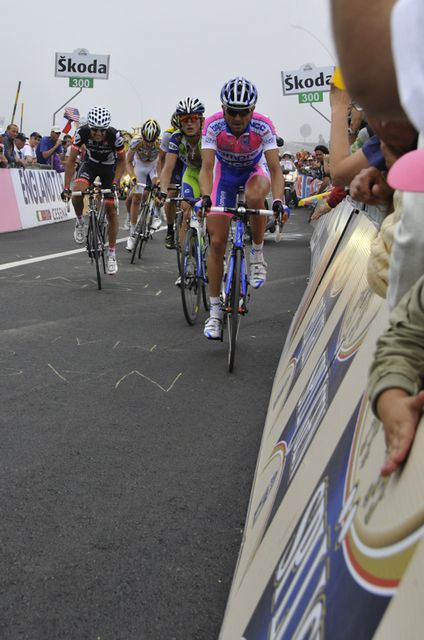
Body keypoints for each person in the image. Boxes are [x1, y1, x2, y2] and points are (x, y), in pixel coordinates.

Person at [199, 77, 285, 340]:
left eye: (243, 112)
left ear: (253, 109)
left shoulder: (263, 124)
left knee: (254, 196)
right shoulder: (212, 124)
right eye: (232, 112)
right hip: (225, 176)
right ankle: (214, 313)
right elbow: (206, 167)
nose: (237, 118)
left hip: (253, 172)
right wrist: (205, 196)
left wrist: (280, 200)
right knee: (216, 243)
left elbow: (274, 168)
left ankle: (257, 255)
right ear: (223, 109)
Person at [61, 106, 126, 275]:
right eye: (94, 130)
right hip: (89, 165)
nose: (97, 134)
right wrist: (66, 188)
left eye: (101, 130)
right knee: (77, 193)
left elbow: (122, 162)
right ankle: (80, 222)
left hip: (109, 168)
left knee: (111, 209)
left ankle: (111, 253)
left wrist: (115, 182)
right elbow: (71, 161)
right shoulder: (82, 133)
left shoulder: (115, 136)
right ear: (89, 127)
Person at [159, 97, 205, 270]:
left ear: (201, 120)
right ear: (179, 122)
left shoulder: (209, 133)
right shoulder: (176, 138)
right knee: (187, 211)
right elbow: (167, 168)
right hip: (191, 173)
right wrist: (163, 191)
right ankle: (186, 264)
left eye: (194, 118)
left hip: (212, 173)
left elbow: (211, 167)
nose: (189, 123)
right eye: (185, 119)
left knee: (213, 216)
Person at [125, 118, 162, 252]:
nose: (148, 143)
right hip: (139, 166)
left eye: (151, 141)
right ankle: (132, 235)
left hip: (153, 166)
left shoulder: (160, 143)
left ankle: (156, 214)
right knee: (136, 198)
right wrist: (133, 177)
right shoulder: (136, 141)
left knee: (157, 188)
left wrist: (159, 181)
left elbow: (163, 162)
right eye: (146, 140)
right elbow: (128, 161)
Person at [156, 113, 184, 249]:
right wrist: (162, 183)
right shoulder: (168, 136)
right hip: (174, 163)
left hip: (189, 164)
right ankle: (170, 230)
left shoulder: (198, 133)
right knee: (171, 194)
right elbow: (162, 160)